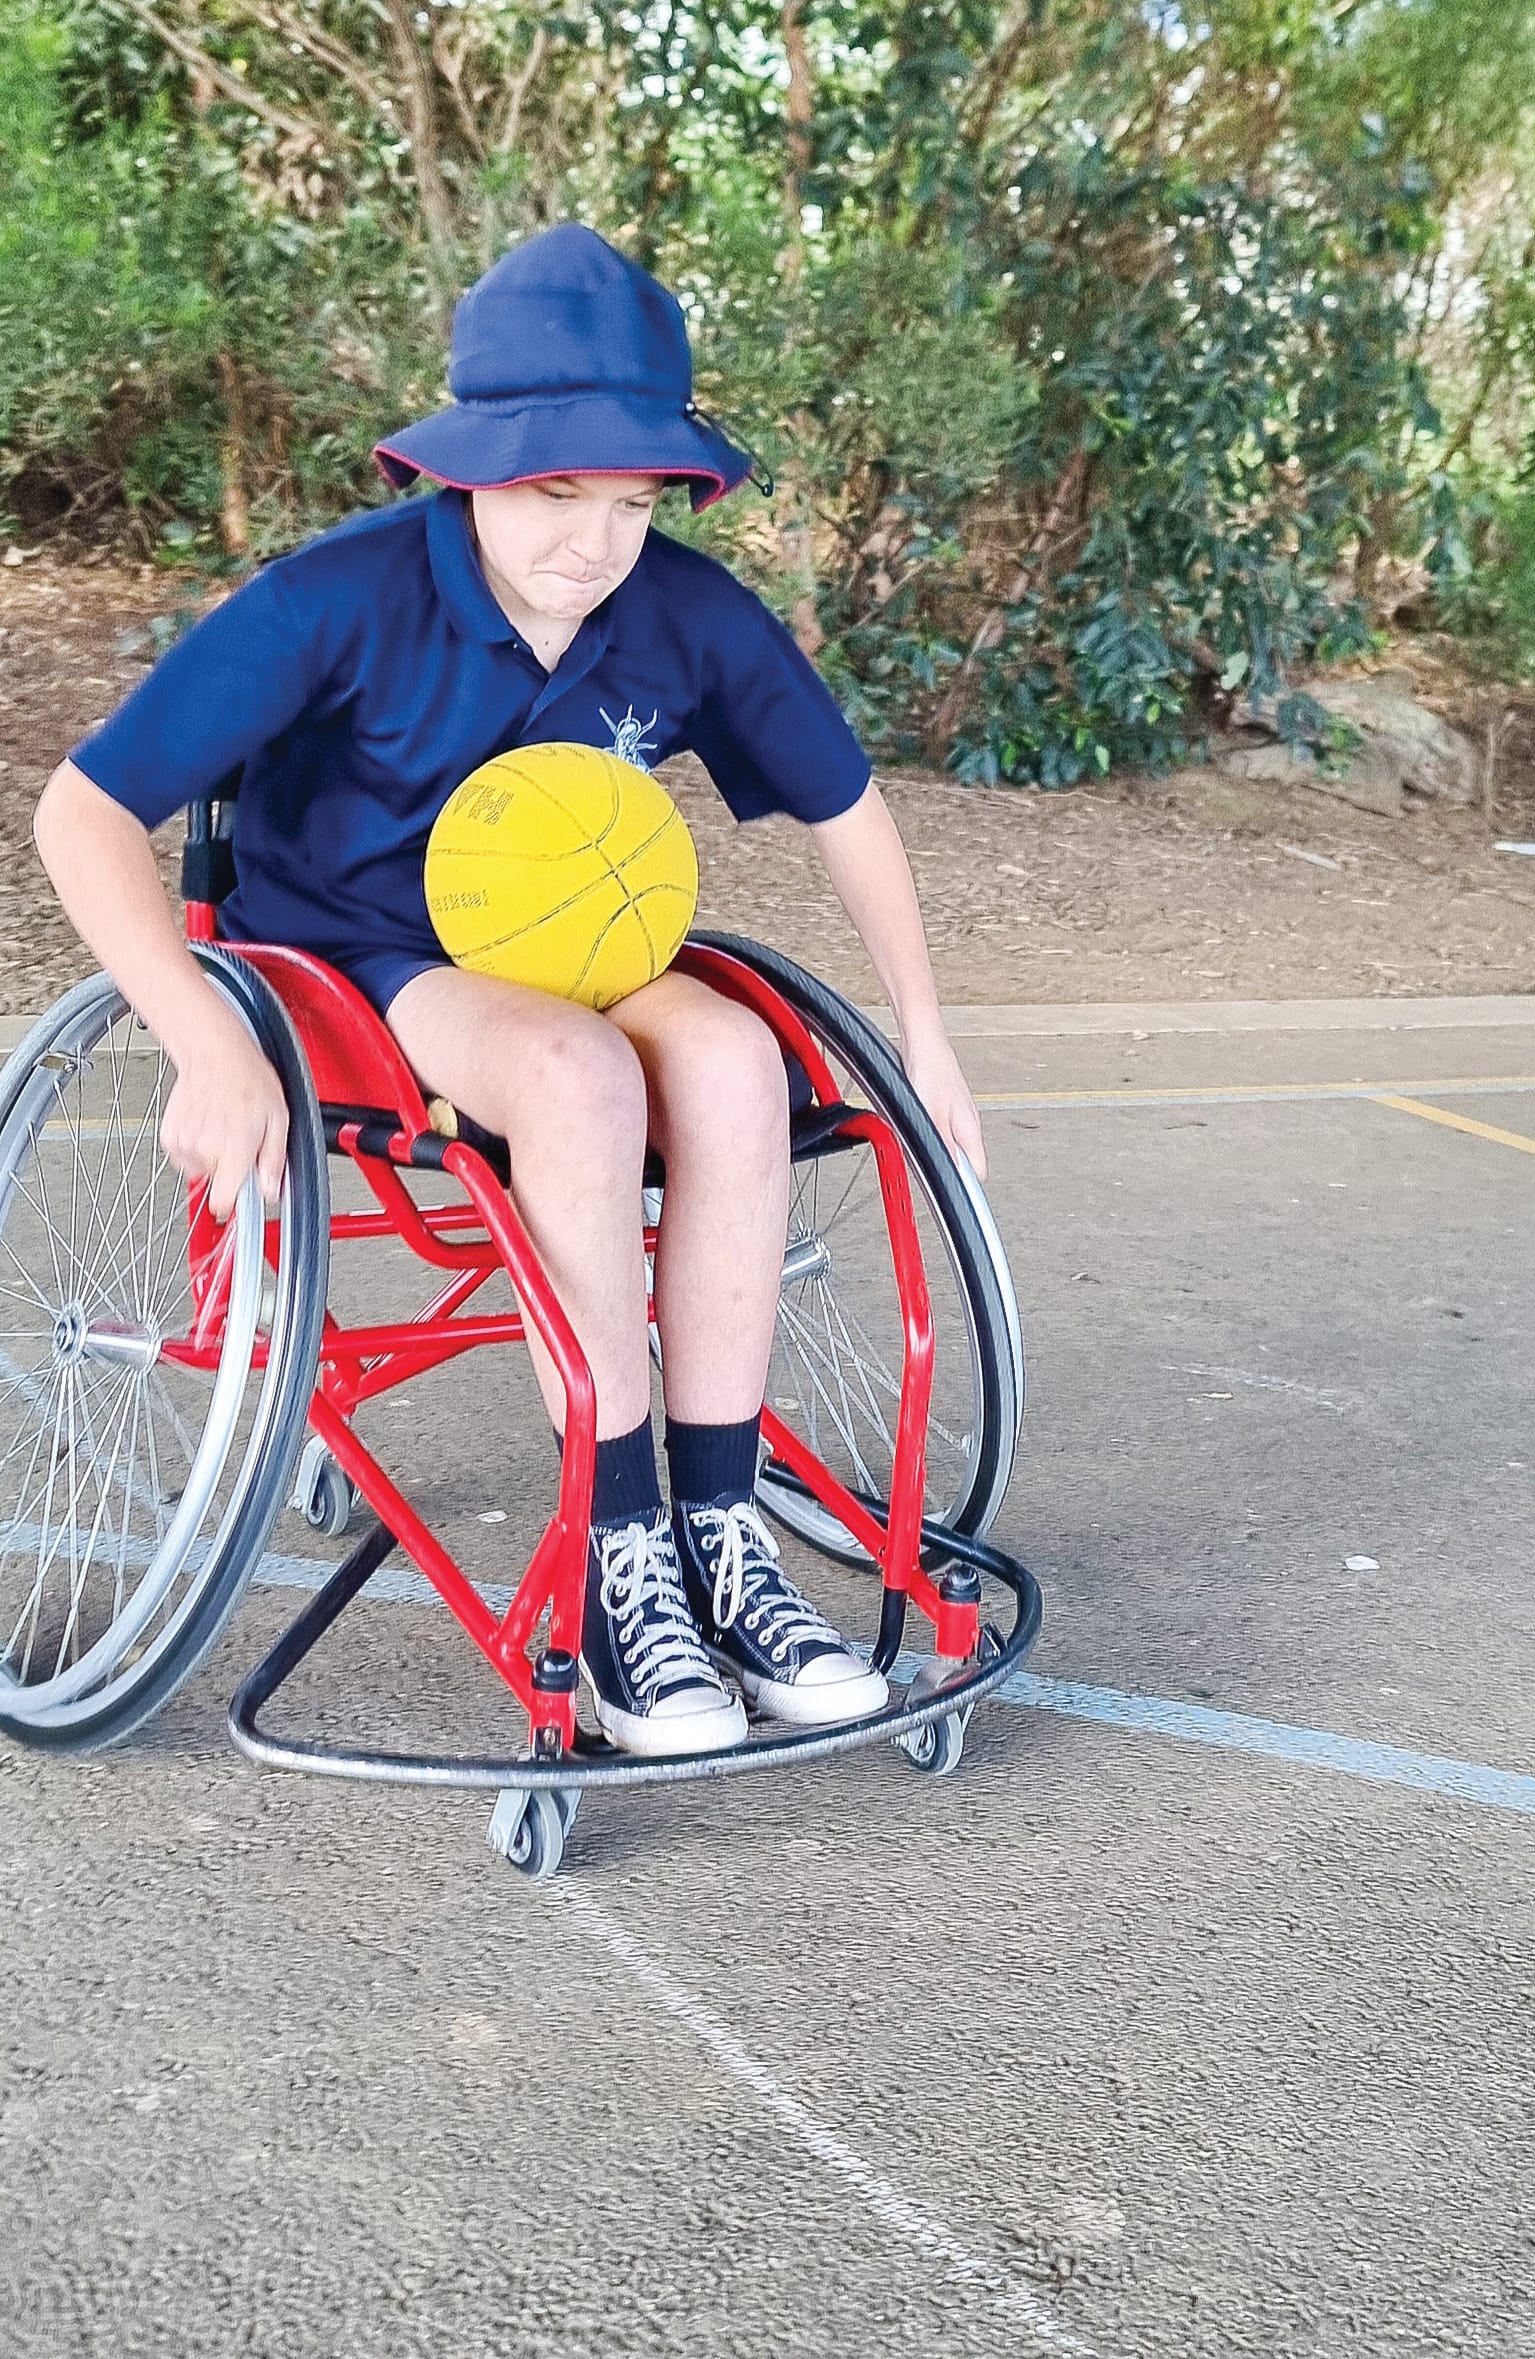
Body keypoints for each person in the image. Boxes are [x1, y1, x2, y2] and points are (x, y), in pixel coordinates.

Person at [31, 223, 988, 1761]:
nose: (594, 538)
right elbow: (82, 813)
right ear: (468, 469)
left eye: (632, 498)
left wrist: (927, 1039)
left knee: (740, 1063)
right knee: (579, 1081)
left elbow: (847, 808)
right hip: (355, 958)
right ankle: (621, 1562)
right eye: (555, 492)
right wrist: (203, 1038)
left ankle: (724, 1536)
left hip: (582, 944)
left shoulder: (679, 612)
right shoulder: (334, 600)